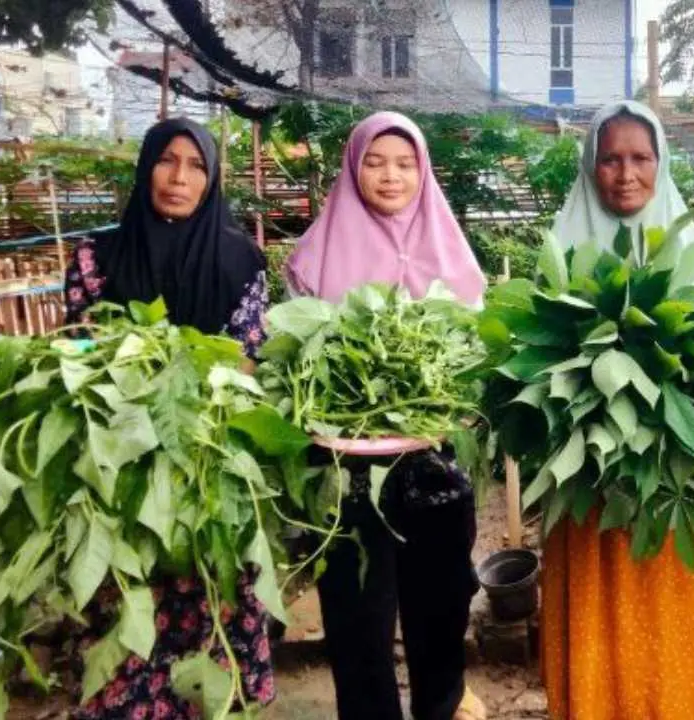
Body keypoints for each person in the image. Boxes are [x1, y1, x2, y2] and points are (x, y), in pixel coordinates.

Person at [62, 117, 272, 718]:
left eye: (197, 165)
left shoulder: (241, 261)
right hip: (119, 478)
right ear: (145, 166)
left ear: (211, 179)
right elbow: (79, 354)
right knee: (124, 616)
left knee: (214, 617)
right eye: (166, 160)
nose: (179, 177)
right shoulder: (96, 257)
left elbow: (246, 364)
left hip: (207, 474)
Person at [284, 111, 488, 720]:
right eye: (375, 162)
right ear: (353, 168)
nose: (390, 176)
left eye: (405, 164)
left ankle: (441, 705)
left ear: (423, 172)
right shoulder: (316, 253)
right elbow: (300, 360)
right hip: (344, 473)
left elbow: (473, 359)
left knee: (442, 605)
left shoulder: (450, 250)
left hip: (432, 462)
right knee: (357, 619)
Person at [541, 100, 694, 720]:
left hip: (681, 487)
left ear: (661, 163)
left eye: (641, 158)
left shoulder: (689, 253)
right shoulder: (561, 253)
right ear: (590, 167)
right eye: (611, 159)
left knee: (673, 607)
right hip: (588, 488)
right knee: (598, 609)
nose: (626, 173)